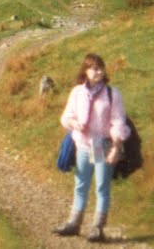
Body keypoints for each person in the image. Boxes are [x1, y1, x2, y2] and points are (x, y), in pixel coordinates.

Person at [52, 53, 131, 242]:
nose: (99, 71)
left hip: (102, 145)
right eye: (95, 68)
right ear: (85, 71)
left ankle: (97, 228)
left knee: (102, 187)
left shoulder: (113, 94)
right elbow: (66, 116)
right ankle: (74, 223)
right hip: (82, 145)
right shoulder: (77, 92)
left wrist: (115, 148)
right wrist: (73, 123)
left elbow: (118, 122)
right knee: (80, 185)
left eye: (101, 68)